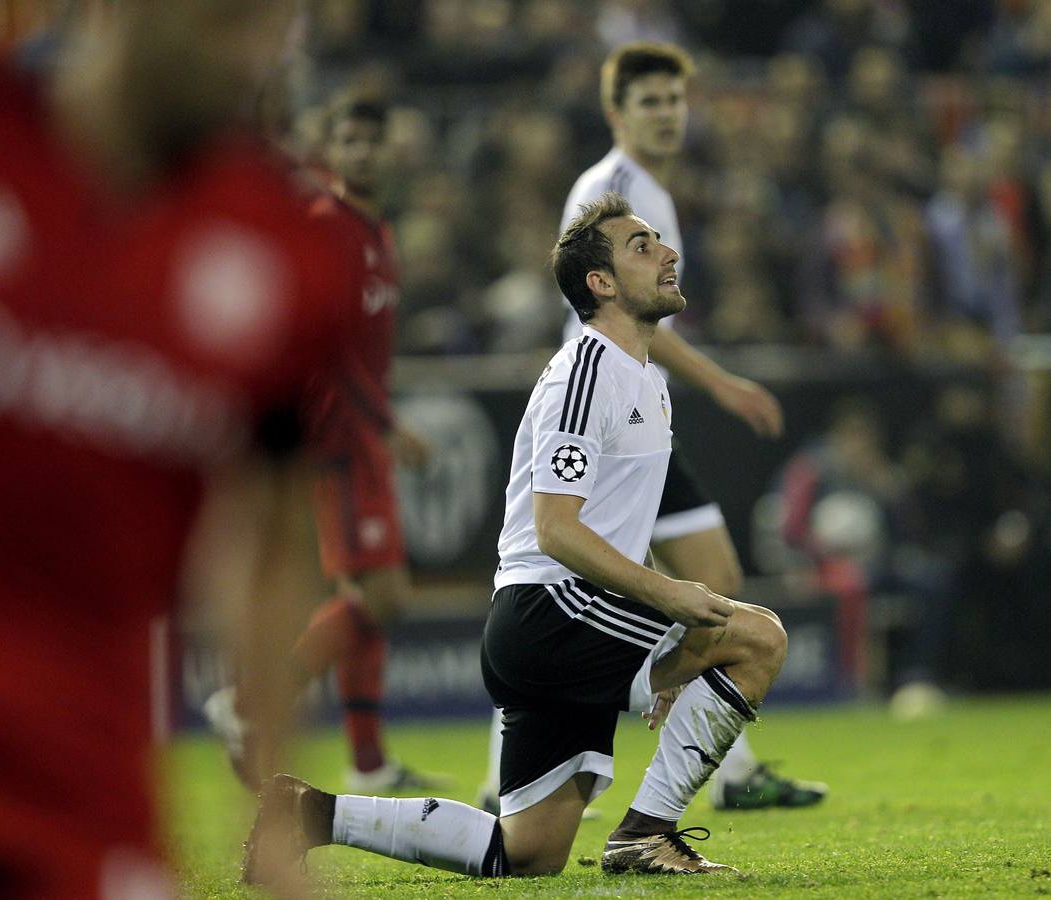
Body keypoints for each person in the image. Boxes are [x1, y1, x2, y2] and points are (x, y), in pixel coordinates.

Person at [0, 3, 369, 896]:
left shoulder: (293, 258)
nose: (249, 60)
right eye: (224, 23)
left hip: (79, 777)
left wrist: (274, 813)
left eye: (272, 33)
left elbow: (275, 540)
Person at [242, 193, 788, 889]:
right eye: (643, 245)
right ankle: (648, 836)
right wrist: (669, 602)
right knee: (760, 637)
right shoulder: (586, 370)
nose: (668, 252)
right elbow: (556, 529)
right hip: (555, 611)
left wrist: (660, 639)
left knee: (526, 853)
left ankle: (312, 815)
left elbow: (613, 521)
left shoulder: (647, 381)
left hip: (557, 623)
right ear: (602, 283)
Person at [479, 40, 825, 813]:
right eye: (651, 102)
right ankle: (687, 783)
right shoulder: (610, 191)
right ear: (617, 112)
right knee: (680, 590)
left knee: (709, 590)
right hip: (610, 421)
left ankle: (713, 768)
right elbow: (601, 296)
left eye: (676, 100)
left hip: (641, 412)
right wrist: (724, 382)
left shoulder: (651, 196)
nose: (668, 115)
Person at [204, 95, 444, 793]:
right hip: (338, 437)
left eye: (374, 140)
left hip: (359, 435)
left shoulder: (378, 231)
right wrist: (390, 426)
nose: (363, 152)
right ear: (331, 150)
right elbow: (331, 349)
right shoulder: (328, 228)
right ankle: (249, 704)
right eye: (350, 140)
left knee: (364, 598)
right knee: (385, 594)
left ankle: (367, 764)